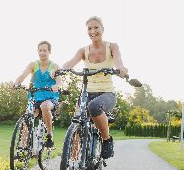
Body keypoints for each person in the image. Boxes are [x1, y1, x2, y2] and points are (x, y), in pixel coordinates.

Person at [54, 16, 128, 158]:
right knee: (77, 120)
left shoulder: (112, 46)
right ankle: (72, 162)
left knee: (94, 106)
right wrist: (59, 70)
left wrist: (121, 69)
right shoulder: (83, 51)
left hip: (106, 94)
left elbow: (118, 60)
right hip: (87, 93)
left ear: (102, 29)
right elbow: (69, 63)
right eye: (89, 28)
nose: (93, 31)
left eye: (96, 27)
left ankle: (107, 140)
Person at [13, 41, 63, 148]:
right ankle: (23, 148)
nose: (42, 53)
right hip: (35, 97)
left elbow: (59, 80)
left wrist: (57, 86)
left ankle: (49, 135)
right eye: (40, 50)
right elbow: (23, 75)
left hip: (50, 98)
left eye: (44, 50)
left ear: (49, 52)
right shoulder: (33, 65)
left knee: (44, 107)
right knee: (27, 118)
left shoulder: (54, 66)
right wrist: (16, 83)